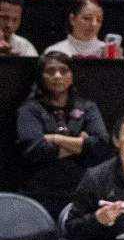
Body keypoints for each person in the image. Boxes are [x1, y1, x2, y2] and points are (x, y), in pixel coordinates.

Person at [15, 51, 112, 215]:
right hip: (40, 194)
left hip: (81, 192)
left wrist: (55, 138)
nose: (58, 76)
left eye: (63, 70)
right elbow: (35, 150)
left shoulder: (87, 108)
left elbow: (100, 145)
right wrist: (81, 143)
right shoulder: (29, 110)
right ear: (41, 77)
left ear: (71, 76)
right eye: (51, 71)